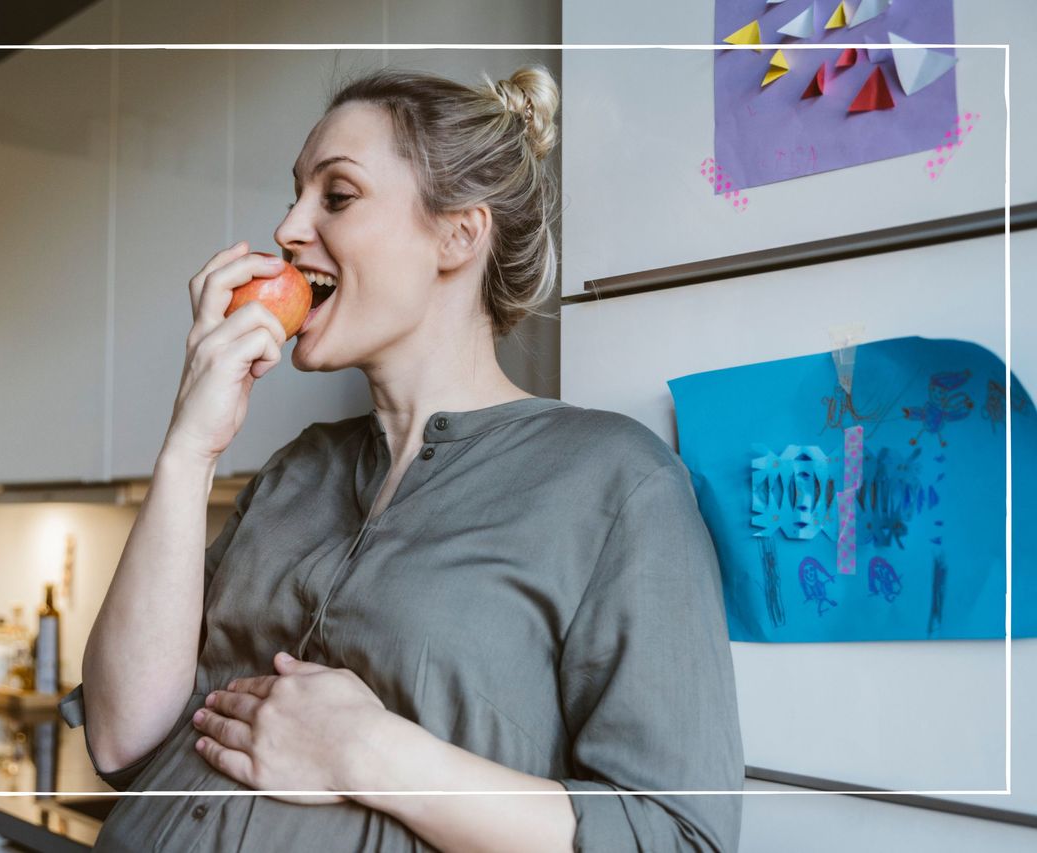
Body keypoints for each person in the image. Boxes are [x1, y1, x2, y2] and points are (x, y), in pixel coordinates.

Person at [62, 63, 745, 852]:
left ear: (458, 232)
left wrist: (371, 752)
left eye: (337, 196)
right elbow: (120, 738)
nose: (288, 228)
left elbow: (678, 834)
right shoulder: (295, 470)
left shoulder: (616, 483)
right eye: (295, 195)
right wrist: (190, 445)